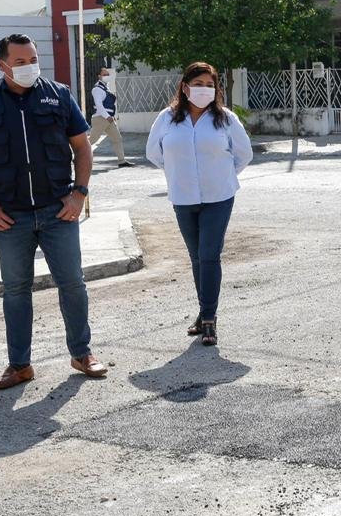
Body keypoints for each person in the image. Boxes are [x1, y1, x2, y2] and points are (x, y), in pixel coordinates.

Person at [0, 33, 106, 390]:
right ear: (2, 64)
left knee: (72, 283)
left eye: (32, 60)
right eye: (20, 62)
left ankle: (82, 352)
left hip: (58, 211)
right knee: (16, 291)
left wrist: (79, 194)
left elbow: (83, 149)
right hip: (9, 216)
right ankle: (19, 365)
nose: (29, 67)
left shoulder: (59, 94)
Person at [146, 62, 253, 346]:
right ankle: (204, 311)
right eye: (198, 84)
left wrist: (222, 175)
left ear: (216, 89)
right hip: (182, 197)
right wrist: (178, 173)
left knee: (209, 255)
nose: (204, 90)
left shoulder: (226, 119)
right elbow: (154, 153)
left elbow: (244, 154)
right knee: (196, 257)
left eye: (210, 85)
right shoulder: (167, 119)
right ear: (185, 87)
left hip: (219, 197)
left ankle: (209, 317)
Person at [89, 66, 133, 167]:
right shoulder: (97, 89)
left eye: (107, 74)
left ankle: (121, 161)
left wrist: (111, 117)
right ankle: (77, 156)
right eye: (104, 74)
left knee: (117, 138)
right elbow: (99, 105)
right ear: (99, 76)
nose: (107, 76)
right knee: (92, 140)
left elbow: (110, 105)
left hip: (107, 118)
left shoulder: (106, 88)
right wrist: (107, 116)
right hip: (100, 118)